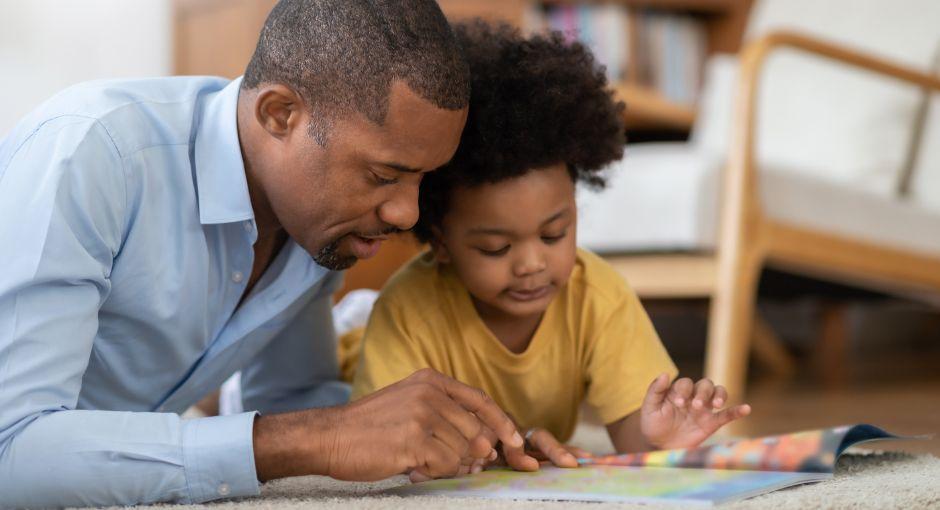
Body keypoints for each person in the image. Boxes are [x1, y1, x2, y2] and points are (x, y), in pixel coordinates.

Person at [0, 2, 531, 507]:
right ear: (280, 114)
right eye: (383, 176)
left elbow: (291, 401)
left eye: (423, 179)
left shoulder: (316, 229)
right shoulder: (91, 154)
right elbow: (12, 450)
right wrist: (316, 435)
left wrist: (469, 439)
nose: (407, 214)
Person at [349, 21, 751, 471]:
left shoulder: (597, 296)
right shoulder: (408, 312)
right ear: (440, 243)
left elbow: (632, 433)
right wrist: (485, 448)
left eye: (553, 235)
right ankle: (351, 320)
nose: (532, 264)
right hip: (352, 361)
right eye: (497, 248)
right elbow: (390, 441)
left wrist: (661, 437)